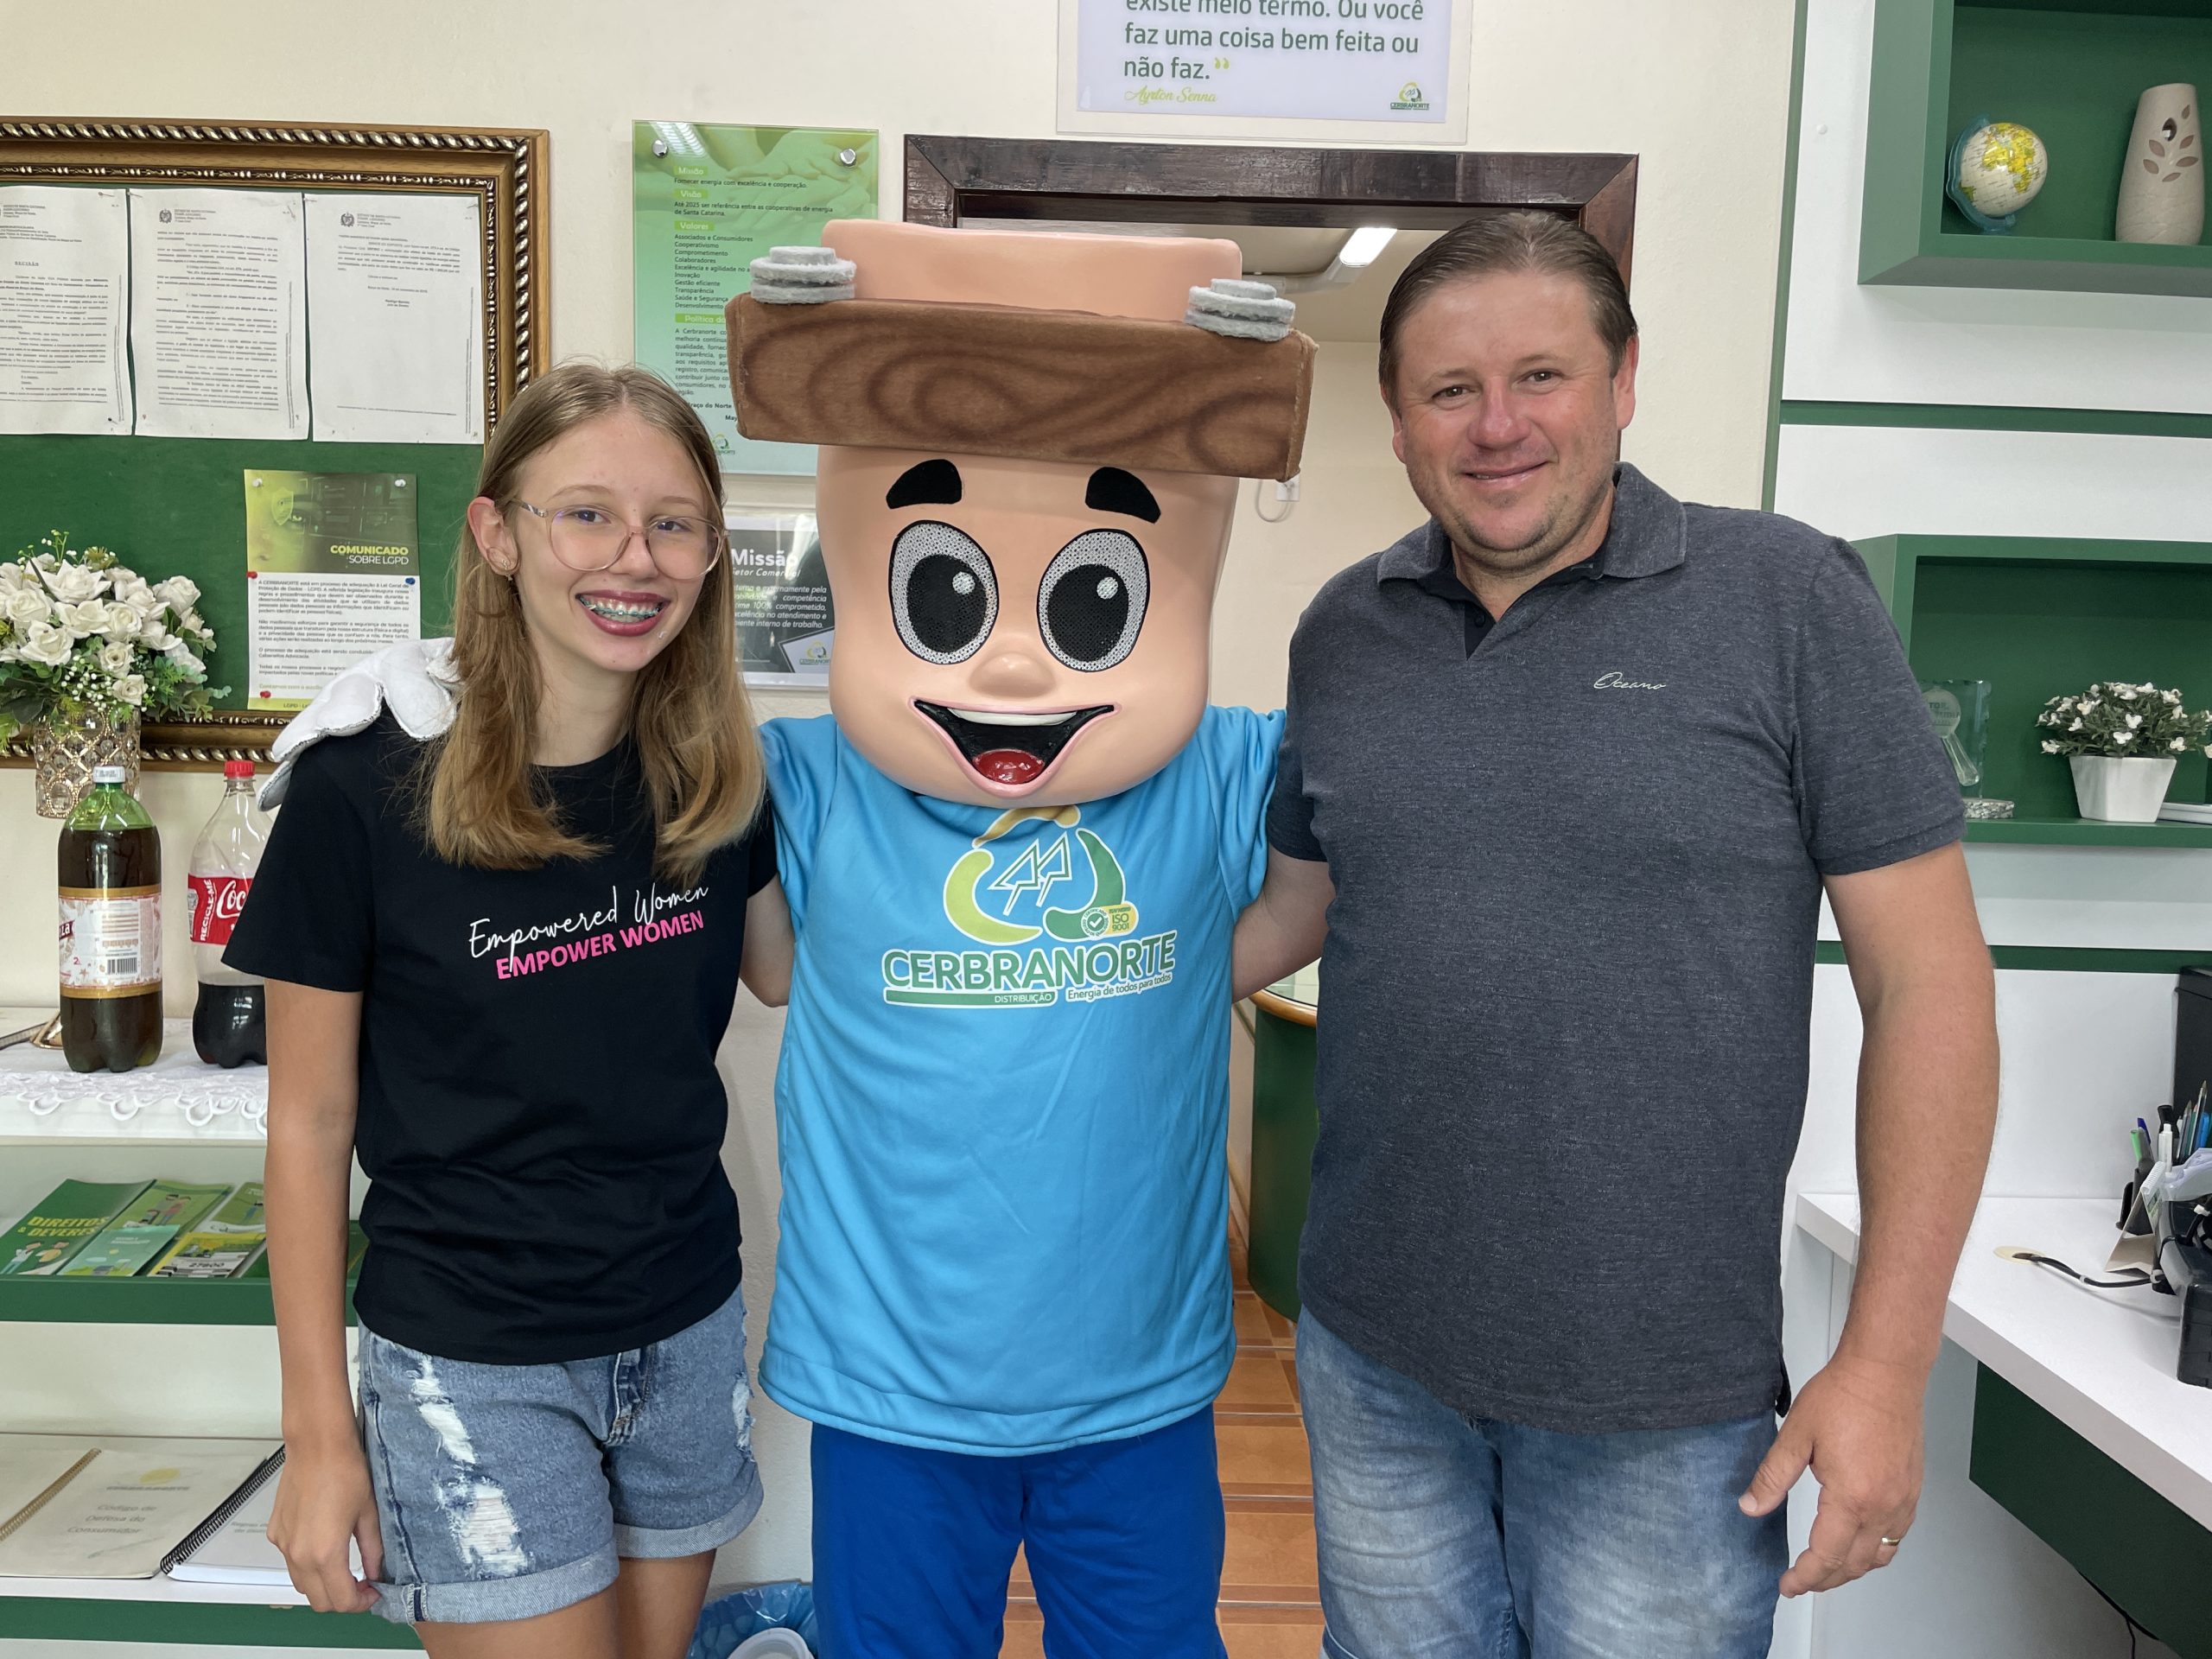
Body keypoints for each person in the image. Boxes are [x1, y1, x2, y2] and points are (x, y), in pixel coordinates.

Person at [1232, 213, 1999, 1657]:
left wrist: (1887, 1365)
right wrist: (1050, 973)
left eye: (1543, 375)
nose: (1498, 425)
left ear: (1625, 378)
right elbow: (1294, 911)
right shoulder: (1346, 630)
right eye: (1450, 390)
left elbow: (1931, 984)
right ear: (1396, 420)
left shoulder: (1787, 600)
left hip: (1663, 1404)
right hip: (1373, 1360)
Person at [723, 219, 1314, 1658]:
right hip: (894, 1386)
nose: (1009, 661)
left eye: (1092, 604)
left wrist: (1232, 377)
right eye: (944, 594)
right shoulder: (807, 783)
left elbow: (1314, 890)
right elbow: (769, 956)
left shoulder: (1220, 771)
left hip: (1138, 1383)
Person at [226, 364, 791, 1659]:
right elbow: (307, 1125)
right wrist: (318, 1434)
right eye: (586, 514)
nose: (634, 558)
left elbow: (793, 972)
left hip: (685, 1328)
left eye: (674, 524)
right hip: (472, 1356)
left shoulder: (715, 778)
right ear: (497, 534)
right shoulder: (364, 782)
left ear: (712, 555)